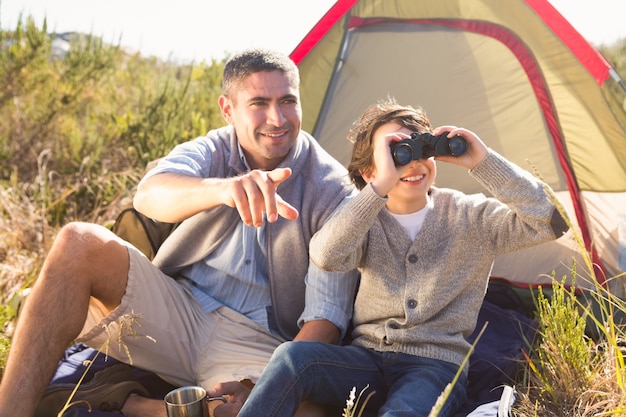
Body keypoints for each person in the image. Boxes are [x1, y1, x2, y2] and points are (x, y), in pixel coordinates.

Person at [0, 48, 358, 417]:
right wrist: (223, 189)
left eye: (287, 101)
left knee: (309, 412)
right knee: (78, 242)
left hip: (259, 343)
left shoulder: (334, 191)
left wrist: (264, 385)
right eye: (259, 103)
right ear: (228, 110)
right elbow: (149, 195)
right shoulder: (215, 149)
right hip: (180, 308)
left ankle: (153, 407)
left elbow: (326, 320)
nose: (277, 118)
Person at [232, 98, 570, 417]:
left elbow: (551, 220)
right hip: (364, 360)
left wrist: (483, 162)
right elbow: (325, 256)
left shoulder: (471, 217)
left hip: (434, 367)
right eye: (396, 154)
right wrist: (378, 188)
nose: (412, 162)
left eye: (418, 148)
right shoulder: (363, 217)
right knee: (292, 358)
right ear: (369, 171)